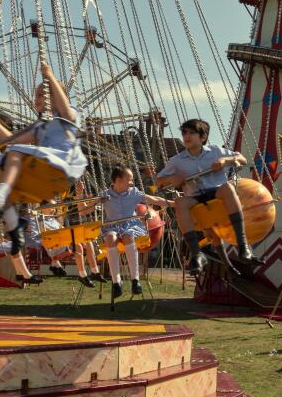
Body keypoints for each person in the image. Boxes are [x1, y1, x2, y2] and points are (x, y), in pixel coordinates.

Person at [0, 61, 86, 215]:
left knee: (15, 152)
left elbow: (65, 110)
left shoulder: (69, 115)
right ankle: (3, 211)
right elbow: (12, 140)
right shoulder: (41, 125)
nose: (36, 98)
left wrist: (50, 77)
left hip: (64, 161)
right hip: (47, 163)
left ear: (56, 95)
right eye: (35, 95)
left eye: (41, 94)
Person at [154, 118, 252, 273]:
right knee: (180, 202)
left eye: (192, 133)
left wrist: (225, 160)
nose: (187, 136)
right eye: (185, 132)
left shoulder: (215, 151)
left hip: (217, 193)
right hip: (196, 198)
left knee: (228, 187)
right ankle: (196, 253)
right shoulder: (176, 161)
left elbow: (242, 159)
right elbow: (158, 181)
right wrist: (171, 179)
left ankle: (242, 245)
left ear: (203, 137)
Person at [100, 165, 172, 299]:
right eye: (130, 179)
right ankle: (116, 282)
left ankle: (135, 280)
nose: (132, 182)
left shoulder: (134, 193)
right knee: (110, 238)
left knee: (128, 236)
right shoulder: (105, 195)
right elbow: (86, 208)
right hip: (112, 227)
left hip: (130, 226)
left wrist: (172, 203)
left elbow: (153, 199)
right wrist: (81, 195)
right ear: (118, 180)